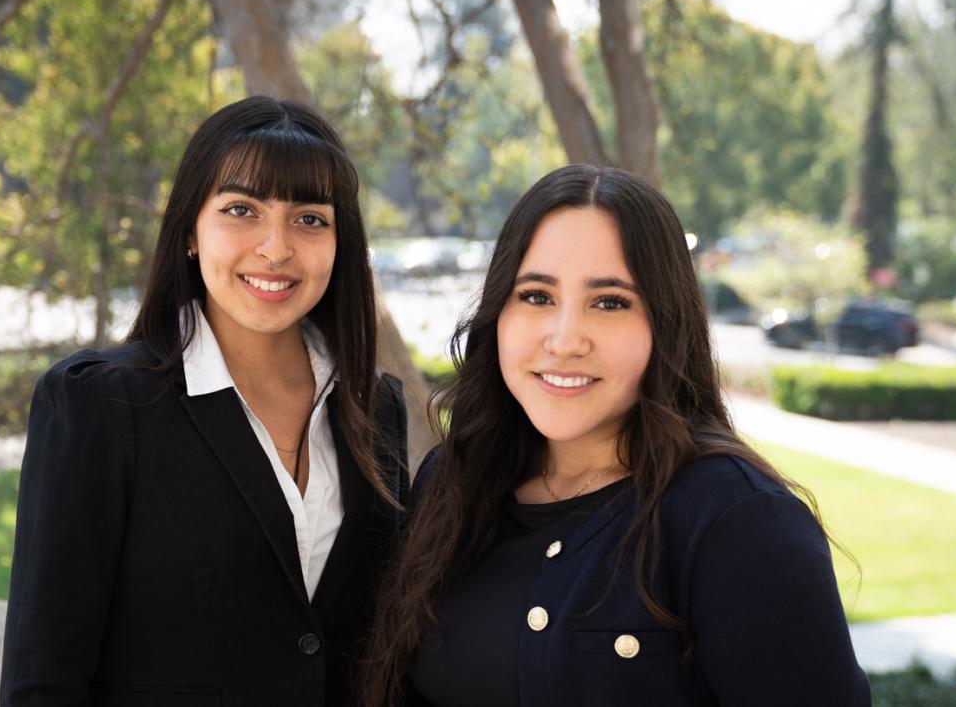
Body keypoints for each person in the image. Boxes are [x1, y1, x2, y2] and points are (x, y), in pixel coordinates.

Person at [362, 165, 869, 706]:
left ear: (664, 325)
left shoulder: (738, 523)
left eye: (609, 302)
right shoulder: (451, 484)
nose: (564, 339)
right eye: (536, 296)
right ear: (498, 314)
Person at [0, 96, 409, 707]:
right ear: (190, 230)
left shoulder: (375, 407)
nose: (276, 248)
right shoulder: (98, 406)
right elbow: (43, 682)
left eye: (309, 218)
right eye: (241, 210)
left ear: (339, 241)